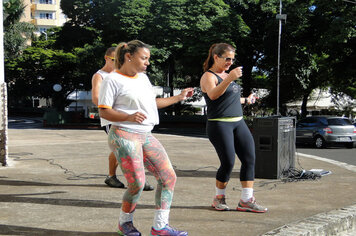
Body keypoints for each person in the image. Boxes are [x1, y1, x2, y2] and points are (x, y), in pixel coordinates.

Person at [98, 40, 193, 236]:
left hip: (145, 134)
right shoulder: (112, 79)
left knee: (168, 178)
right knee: (137, 184)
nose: (147, 62)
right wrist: (128, 116)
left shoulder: (143, 78)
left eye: (148, 59)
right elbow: (104, 112)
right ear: (128, 56)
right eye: (144, 58)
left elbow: (152, 104)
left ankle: (160, 227)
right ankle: (125, 224)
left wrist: (179, 97)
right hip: (123, 134)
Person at [200, 43, 267, 213]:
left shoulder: (226, 75)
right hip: (219, 124)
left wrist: (247, 100)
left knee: (250, 159)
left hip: (238, 122)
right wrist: (230, 78)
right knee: (228, 162)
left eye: (232, 59)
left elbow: (230, 99)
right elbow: (214, 95)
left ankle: (246, 200)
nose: (230, 62)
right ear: (216, 57)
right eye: (227, 59)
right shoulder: (209, 76)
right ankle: (219, 198)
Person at [91, 47, 154, 191]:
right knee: (128, 147)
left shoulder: (127, 75)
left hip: (132, 120)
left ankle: (113, 176)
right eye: (115, 60)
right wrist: (119, 108)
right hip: (113, 119)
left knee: (126, 147)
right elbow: (96, 98)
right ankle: (134, 178)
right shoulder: (100, 76)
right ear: (106, 58)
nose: (118, 63)